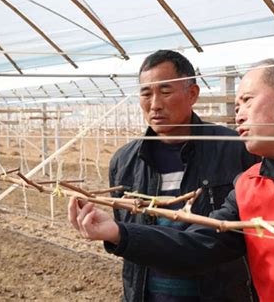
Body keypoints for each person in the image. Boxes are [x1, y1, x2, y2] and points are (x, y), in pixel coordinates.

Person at [69, 59, 274, 301]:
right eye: (235, 104)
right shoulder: (249, 186)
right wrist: (117, 232)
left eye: (247, 101)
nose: (237, 113)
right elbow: (194, 246)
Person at [72, 50, 259, 301]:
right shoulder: (125, 162)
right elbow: (129, 237)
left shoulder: (235, 149)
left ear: (192, 94)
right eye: (146, 93)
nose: (155, 104)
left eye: (166, 92)